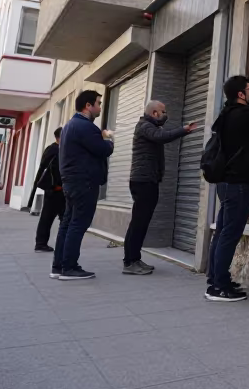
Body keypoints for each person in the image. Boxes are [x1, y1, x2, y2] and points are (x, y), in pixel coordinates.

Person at [205, 74, 249, 302]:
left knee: (222, 232)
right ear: (241, 94)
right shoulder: (243, 115)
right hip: (238, 183)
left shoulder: (226, 115)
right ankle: (219, 287)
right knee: (229, 234)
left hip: (226, 182)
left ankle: (215, 280)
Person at [125, 101, 197, 275]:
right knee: (139, 222)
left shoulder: (149, 126)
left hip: (148, 180)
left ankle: (134, 258)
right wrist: (184, 130)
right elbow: (161, 137)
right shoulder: (145, 126)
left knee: (142, 222)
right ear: (155, 113)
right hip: (143, 181)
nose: (166, 115)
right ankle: (130, 262)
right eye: (163, 112)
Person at [53, 91, 113, 281]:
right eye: (98, 103)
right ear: (88, 105)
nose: (100, 107)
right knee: (78, 224)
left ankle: (59, 266)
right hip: (84, 182)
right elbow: (102, 149)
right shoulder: (85, 127)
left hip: (72, 182)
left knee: (68, 223)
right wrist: (107, 138)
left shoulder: (70, 125)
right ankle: (69, 267)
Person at [32, 128, 64, 252]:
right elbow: (52, 171)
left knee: (60, 216)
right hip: (55, 189)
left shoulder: (52, 149)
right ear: (59, 138)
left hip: (56, 189)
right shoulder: (55, 150)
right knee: (48, 217)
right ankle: (41, 243)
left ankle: (47, 243)